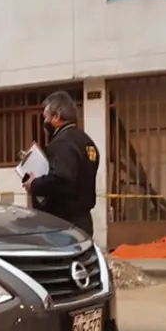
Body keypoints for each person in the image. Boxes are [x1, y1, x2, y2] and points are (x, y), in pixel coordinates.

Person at [22, 90, 101, 236]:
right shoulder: (86, 141)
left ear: (56, 117)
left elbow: (61, 179)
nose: (44, 122)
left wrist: (35, 184)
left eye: (46, 117)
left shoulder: (62, 142)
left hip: (63, 223)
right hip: (83, 222)